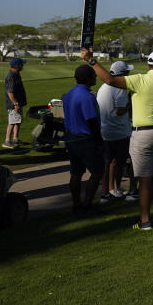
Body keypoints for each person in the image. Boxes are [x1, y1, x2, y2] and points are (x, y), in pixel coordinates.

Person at [81, 40, 153, 230]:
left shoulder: (139, 79)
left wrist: (91, 61)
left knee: (144, 179)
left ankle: (144, 221)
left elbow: (110, 80)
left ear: (150, 64)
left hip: (143, 134)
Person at [62, 64, 105, 215]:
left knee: (76, 173)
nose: (95, 77)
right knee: (98, 171)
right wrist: (99, 143)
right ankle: (87, 205)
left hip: (71, 137)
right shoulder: (87, 96)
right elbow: (92, 122)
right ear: (87, 78)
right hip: (85, 139)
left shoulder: (68, 94)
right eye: (93, 75)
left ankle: (76, 205)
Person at [97, 61, 134, 203]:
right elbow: (120, 110)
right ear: (122, 74)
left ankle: (108, 191)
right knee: (119, 161)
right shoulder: (120, 88)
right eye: (127, 72)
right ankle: (116, 188)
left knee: (109, 162)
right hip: (118, 131)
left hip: (105, 130)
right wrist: (131, 103)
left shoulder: (103, 87)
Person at [3, 57, 27, 148]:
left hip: (18, 102)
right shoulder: (11, 76)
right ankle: (7, 141)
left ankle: (15, 138)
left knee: (18, 121)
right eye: (21, 64)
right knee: (12, 122)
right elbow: (10, 92)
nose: (23, 66)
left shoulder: (16, 74)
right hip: (14, 104)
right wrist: (15, 104)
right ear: (17, 66)